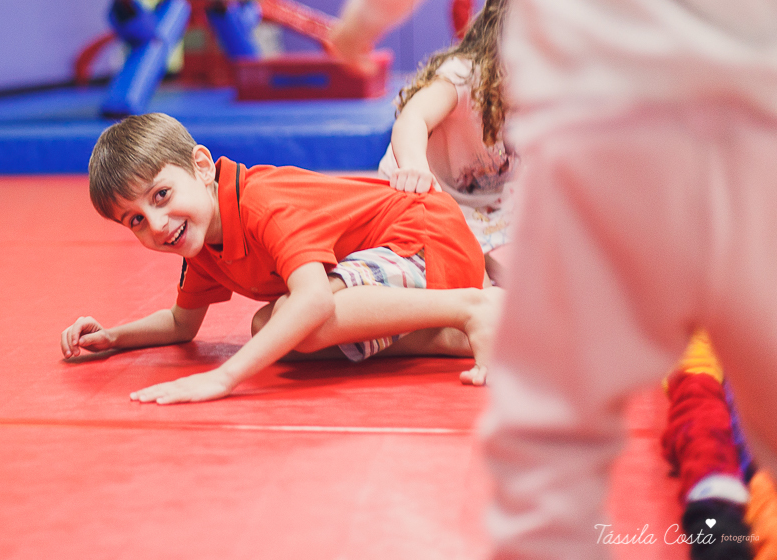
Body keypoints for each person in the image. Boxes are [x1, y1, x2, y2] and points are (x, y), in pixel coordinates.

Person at [330, 0, 777, 557]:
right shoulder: (463, 76)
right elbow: (416, 118)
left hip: (489, 229)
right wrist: (403, 156)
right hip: (422, 209)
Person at [60, 113, 502, 404]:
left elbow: (314, 302)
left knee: (306, 323)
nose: (156, 224)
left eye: (161, 195)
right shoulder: (196, 239)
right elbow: (181, 324)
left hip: (423, 236)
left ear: (201, 166)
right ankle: (450, 335)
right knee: (266, 328)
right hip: (396, 263)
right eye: (135, 220)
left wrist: (223, 378)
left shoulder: (259, 202)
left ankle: (472, 306)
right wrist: (114, 337)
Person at [376, 0, 515, 281]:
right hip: (424, 188)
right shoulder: (466, 75)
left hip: (484, 203)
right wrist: (414, 167)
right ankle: (476, 268)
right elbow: (414, 117)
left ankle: (484, 264)